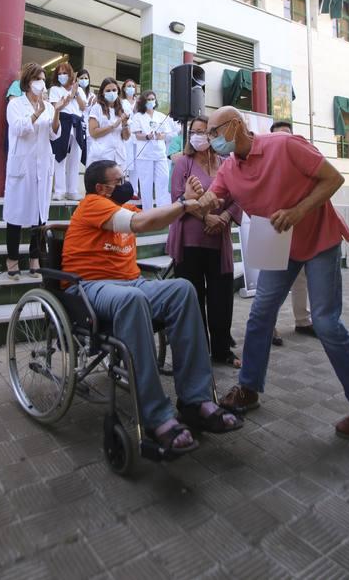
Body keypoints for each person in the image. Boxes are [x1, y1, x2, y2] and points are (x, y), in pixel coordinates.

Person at [197, 106, 349, 440]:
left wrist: (299, 211)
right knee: (259, 316)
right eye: (208, 135)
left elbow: (334, 179)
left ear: (236, 126)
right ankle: (249, 388)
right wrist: (198, 199)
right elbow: (213, 198)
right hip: (279, 248)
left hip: (318, 240)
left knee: (327, 322)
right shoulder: (229, 169)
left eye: (215, 132)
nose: (211, 140)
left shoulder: (284, 145)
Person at [62, 159, 242, 455]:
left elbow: (156, 218)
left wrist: (194, 199)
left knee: (183, 289)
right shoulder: (93, 204)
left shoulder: (123, 209)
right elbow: (142, 224)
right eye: (119, 181)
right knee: (133, 300)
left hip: (131, 283)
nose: (125, 185)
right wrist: (185, 200)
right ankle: (156, 416)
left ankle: (195, 400)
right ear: (100, 188)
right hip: (91, 286)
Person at [167, 117, 242, 367]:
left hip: (218, 242)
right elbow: (177, 198)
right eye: (194, 132)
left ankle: (222, 350)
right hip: (189, 242)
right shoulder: (183, 164)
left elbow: (238, 196)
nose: (198, 136)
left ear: (213, 135)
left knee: (222, 298)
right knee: (193, 298)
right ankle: (199, 352)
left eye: (203, 132)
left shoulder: (225, 163)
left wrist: (224, 216)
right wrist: (206, 215)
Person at [4, 63, 63, 277]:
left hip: (42, 166)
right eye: (37, 79)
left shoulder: (48, 106)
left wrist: (56, 112)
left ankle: (35, 257)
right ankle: (12, 258)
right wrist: (35, 115)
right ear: (28, 82)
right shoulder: (16, 104)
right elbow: (18, 128)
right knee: (16, 212)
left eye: (43, 79)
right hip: (22, 165)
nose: (41, 83)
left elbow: (54, 134)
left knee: (40, 214)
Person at [269, 121, 316, 344]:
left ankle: (303, 320)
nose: (283, 140)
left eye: (287, 135)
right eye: (278, 136)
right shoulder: (264, 164)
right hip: (273, 228)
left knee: (301, 278)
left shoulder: (303, 161)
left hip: (301, 228)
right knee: (272, 282)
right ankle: (269, 325)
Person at [130, 90, 178, 210]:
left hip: (160, 154)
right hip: (145, 155)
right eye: (148, 99)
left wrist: (163, 136)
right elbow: (137, 135)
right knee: (146, 184)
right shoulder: (138, 116)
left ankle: (164, 209)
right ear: (143, 102)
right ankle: (148, 211)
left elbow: (169, 133)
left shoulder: (161, 116)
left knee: (163, 181)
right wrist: (147, 136)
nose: (151, 101)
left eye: (153, 99)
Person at [48, 62, 87, 200]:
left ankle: (72, 190)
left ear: (70, 74)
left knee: (75, 158)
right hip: (62, 121)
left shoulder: (79, 89)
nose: (62, 76)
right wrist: (71, 95)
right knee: (60, 156)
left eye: (64, 73)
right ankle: (59, 190)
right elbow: (55, 107)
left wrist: (75, 93)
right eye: (59, 73)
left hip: (76, 123)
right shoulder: (54, 90)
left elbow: (83, 107)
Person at [87, 77, 130, 172]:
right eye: (108, 90)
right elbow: (93, 132)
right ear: (103, 92)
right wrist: (113, 126)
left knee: (118, 185)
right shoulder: (97, 108)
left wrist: (125, 124)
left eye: (114, 90)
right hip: (101, 156)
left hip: (118, 156)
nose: (112, 93)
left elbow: (126, 137)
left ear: (118, 91)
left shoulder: (122, 109)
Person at [120, 79, 140, 198]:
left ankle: (134, 191)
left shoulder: (139, 102)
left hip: (137, 135)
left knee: (136, 163)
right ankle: (123, 189)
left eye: (133, 86)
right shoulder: (121, 102)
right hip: (126, 133)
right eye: (128, 86)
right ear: (123, 88)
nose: (131, 88)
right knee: (126, 161)